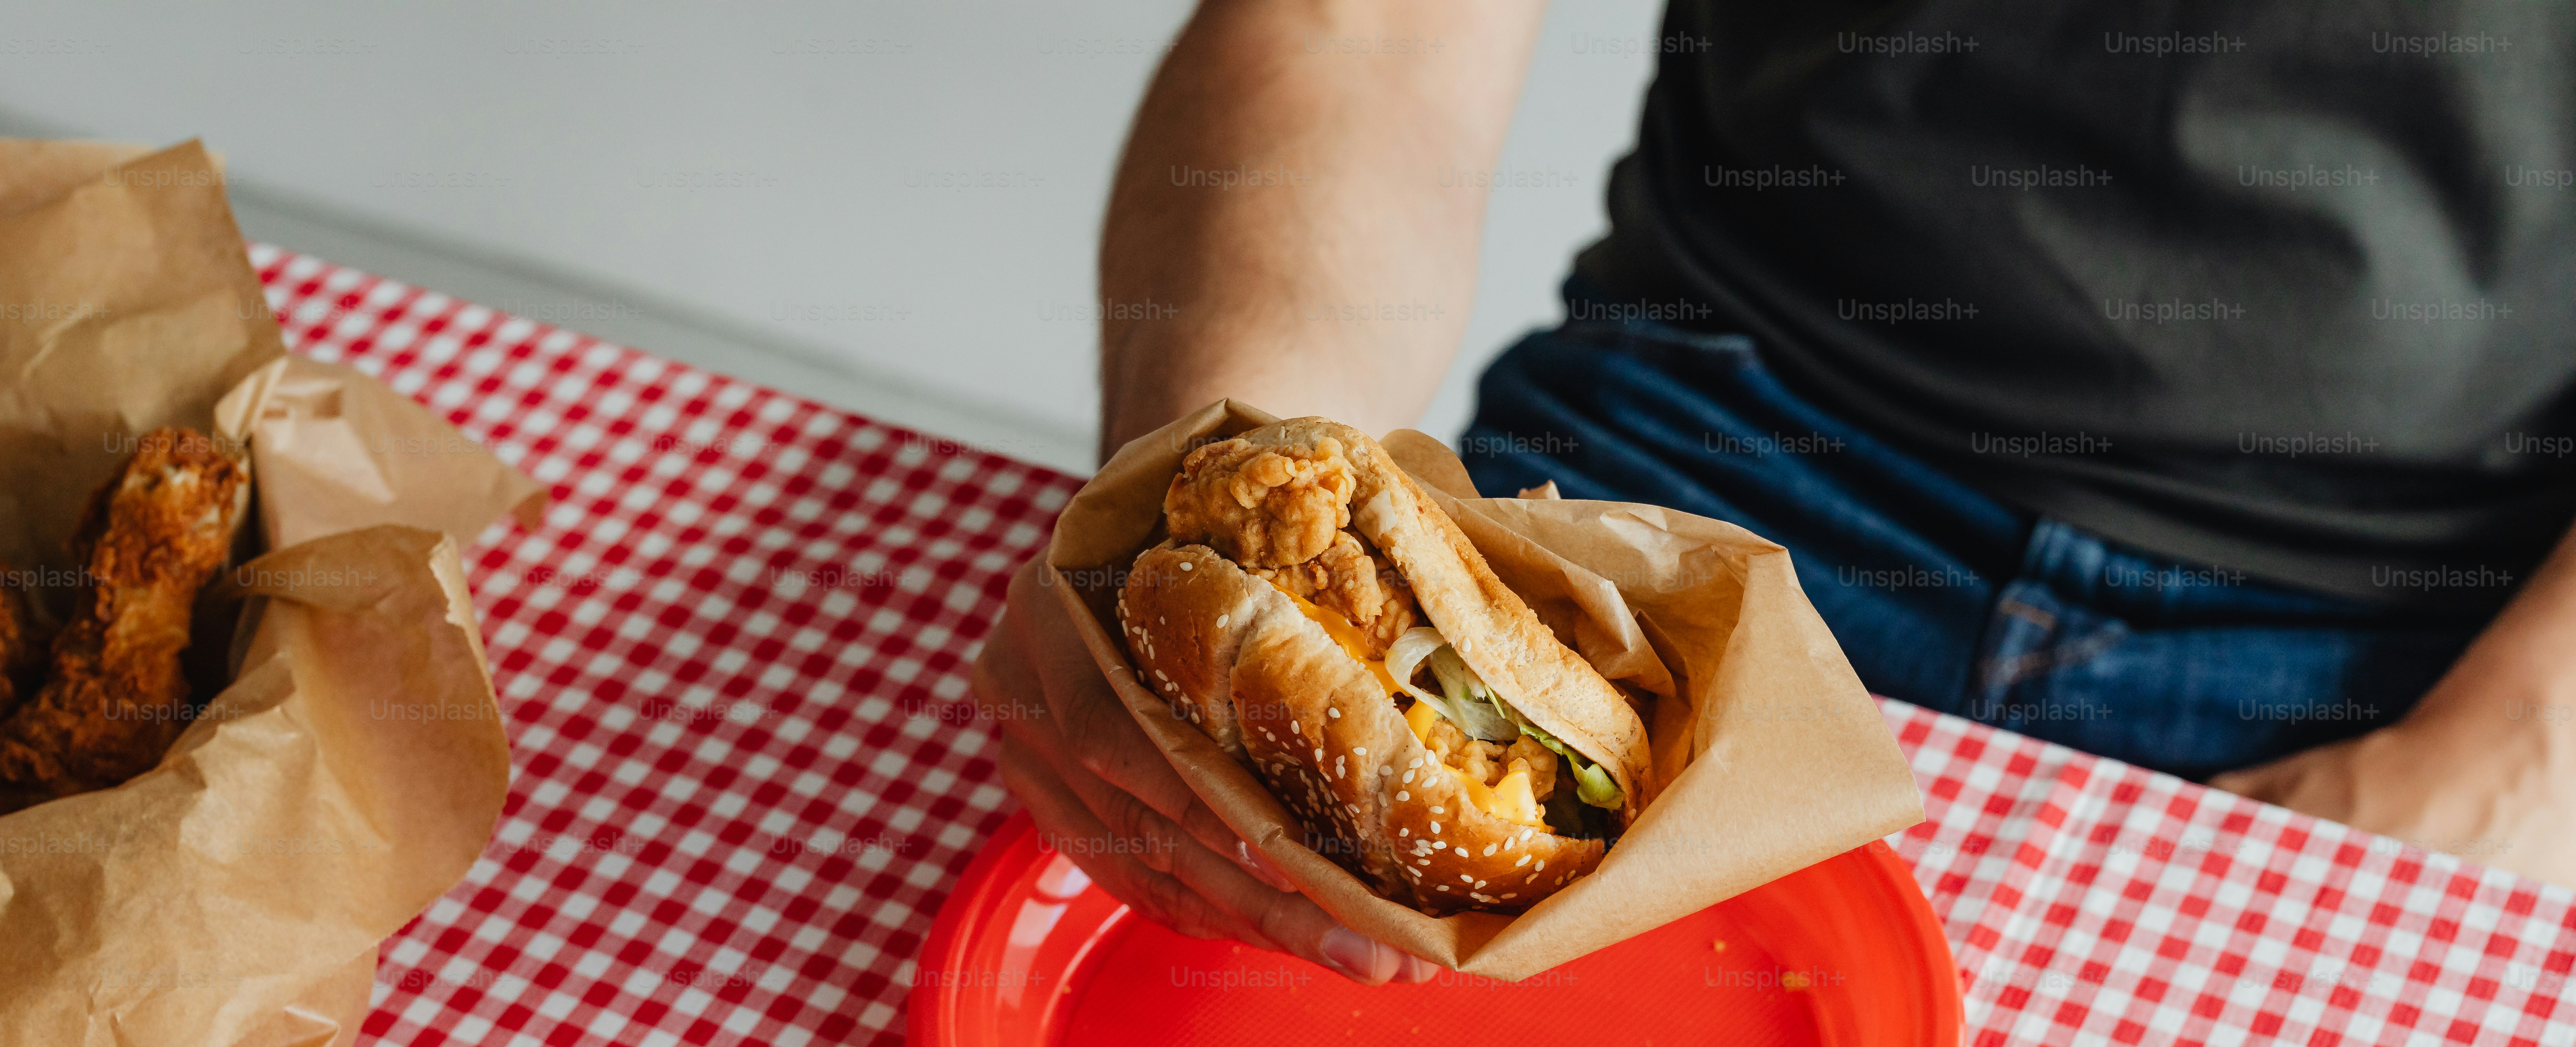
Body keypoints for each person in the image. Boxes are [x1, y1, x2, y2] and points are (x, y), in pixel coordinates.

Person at [974, 1, 2576, 984]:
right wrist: (1201, 479)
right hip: (1706, 425)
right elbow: (1366, 25)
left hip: (2428, 610)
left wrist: (2514, 757)